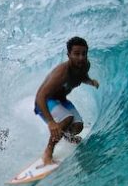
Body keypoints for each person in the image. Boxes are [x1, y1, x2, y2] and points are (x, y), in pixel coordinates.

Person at [34, 36, 99, 165]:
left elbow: (81, 76)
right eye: (76, 54)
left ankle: (66, 136)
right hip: (45, 102)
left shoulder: (85, 65)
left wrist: (90, 81)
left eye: (83, 54)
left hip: (61, 100)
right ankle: (48, 152)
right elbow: (41, 96)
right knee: (67, 118)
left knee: (78, 126)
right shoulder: (61, 73)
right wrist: (51, 122)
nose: (80, 57)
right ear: (68, 54)